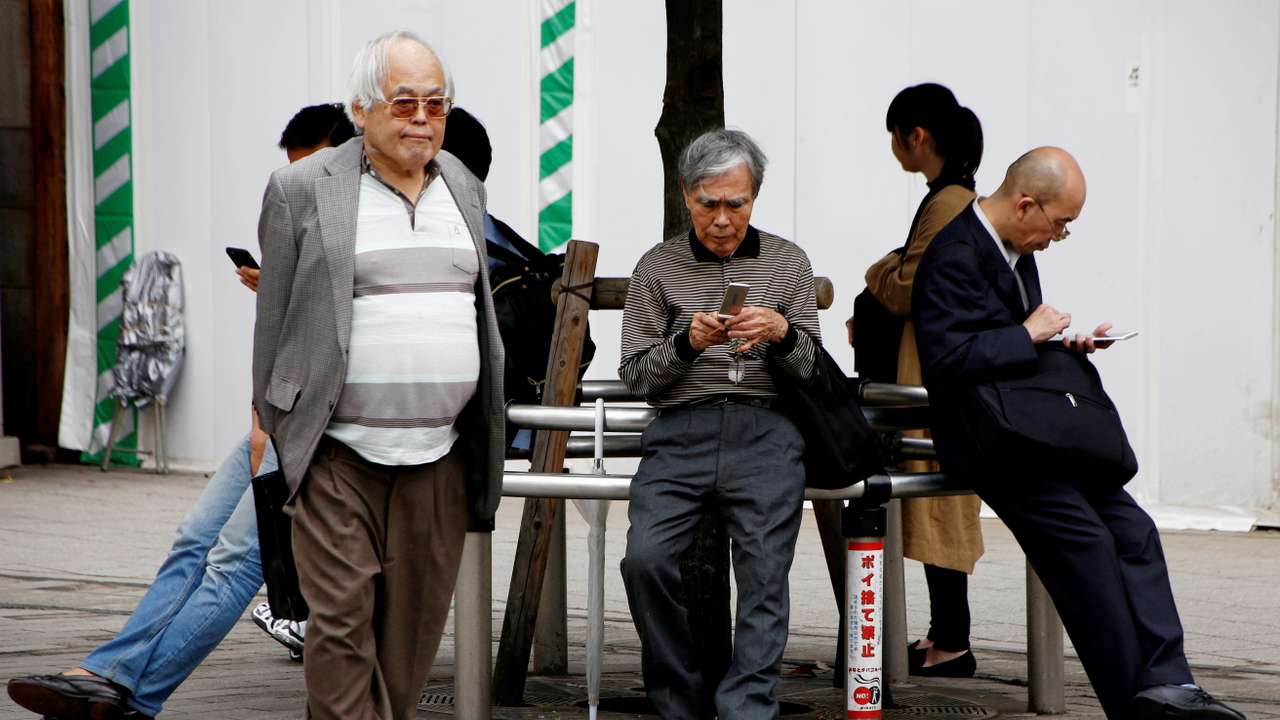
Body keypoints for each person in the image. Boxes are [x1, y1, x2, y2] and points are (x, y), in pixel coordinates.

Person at [4, 103, 354, 720]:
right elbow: (283, 340)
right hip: (275, 419)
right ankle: (107, 673)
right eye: (293, 172)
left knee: (234, 562)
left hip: (316, 430)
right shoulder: (307, 217)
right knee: (195, 540)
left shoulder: (362, 221)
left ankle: (133, 698)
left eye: (313, 167)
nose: (299, 184)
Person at [912, 146, 1245, 720]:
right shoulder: (954, 253)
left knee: (1134, 530)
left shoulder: (1015, 247)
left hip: (1036, 431)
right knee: (1087, 547)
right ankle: (1131, 703)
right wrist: (1025, 334)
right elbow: (945, 362)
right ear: (1024, 205)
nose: (1060, 236)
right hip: (995, 445)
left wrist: (1066, 342)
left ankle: (1171, 684)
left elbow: (1014, 343)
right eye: (1061, 223)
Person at [252, 31, 504, 720]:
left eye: (435, 103)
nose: (422, 118)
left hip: (440, 461)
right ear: (361, 110)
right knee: (339, 634)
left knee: (407, 652)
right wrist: (272, 428)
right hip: (338, 455)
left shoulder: (463, 186)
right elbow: (272, 326)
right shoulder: (301, 189)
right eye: (403, 103)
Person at [619, 128, 821, 719]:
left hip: (767, 430)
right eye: (710, 204)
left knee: (764, 570)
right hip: (680, 431)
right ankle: (677, 698)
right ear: (686, 196)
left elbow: (812, 370)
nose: (723, 219)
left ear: (755, 197)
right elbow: (635, 376)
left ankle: (747, 706)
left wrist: (782, 335)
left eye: (737, 204)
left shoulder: (788, 263)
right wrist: (685, 343)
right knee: (645, 560)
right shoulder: (658, 267)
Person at [860, 83, 984, 677]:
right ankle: (945, 636)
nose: (891, 147)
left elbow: (911, 285)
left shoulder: (947, 202)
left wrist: (878, 267)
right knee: (938, 503)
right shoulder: (954, 197)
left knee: (938, 503)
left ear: (917, 136)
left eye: (894, 134)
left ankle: (952, 642)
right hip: (939, 366)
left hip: (933, 370)